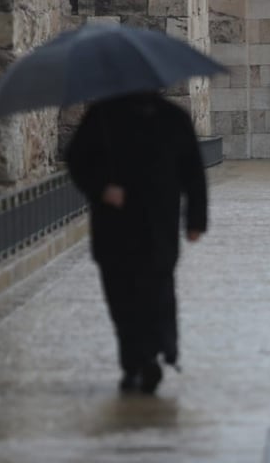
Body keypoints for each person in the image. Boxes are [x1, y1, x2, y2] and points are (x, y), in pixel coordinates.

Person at [64, 91, 208, 395]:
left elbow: (193, 172)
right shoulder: (102, 116)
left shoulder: (173, 118)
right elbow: (77, 159)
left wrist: (196, 219)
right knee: (123, 299)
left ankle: (156, 352)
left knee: (157, 292)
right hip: (115, 228)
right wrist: (102, 187)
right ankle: (135, 362)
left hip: (158, 226)